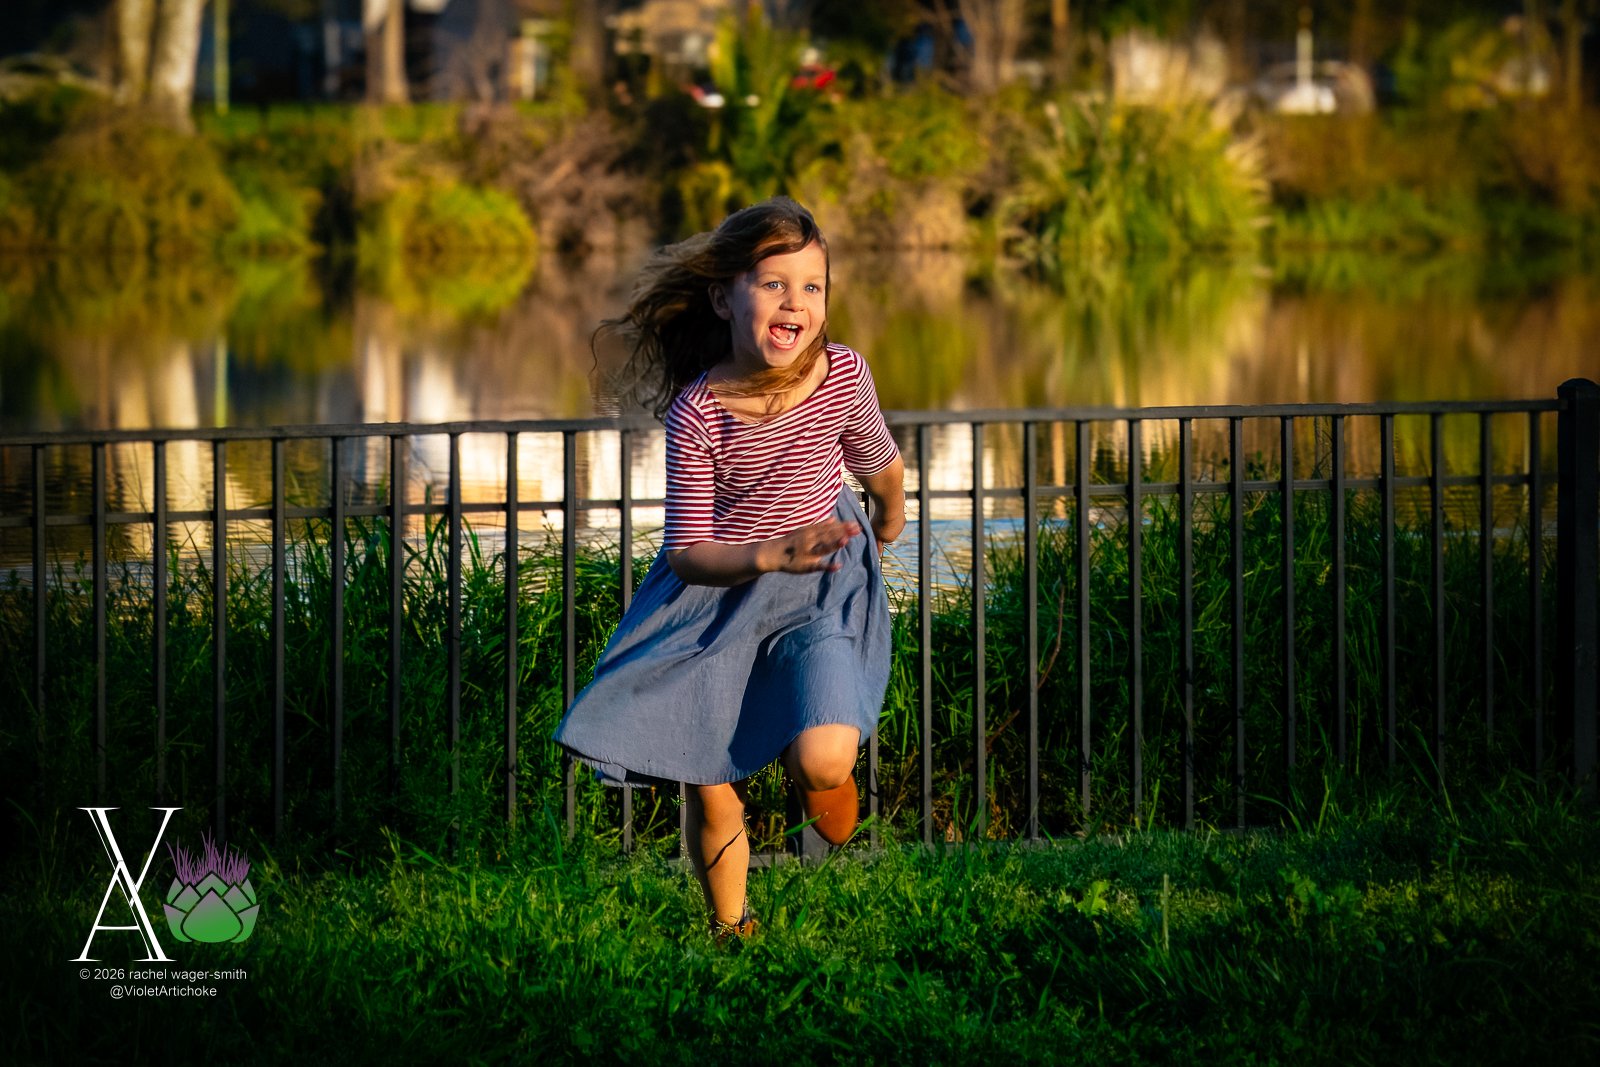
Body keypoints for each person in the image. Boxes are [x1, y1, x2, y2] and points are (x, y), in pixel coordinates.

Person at [552, 196, 906, 941]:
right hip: (713, 599)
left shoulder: (844, 375)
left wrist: (889, 517)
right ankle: (731, 928)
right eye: (774, 283)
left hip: (818, 591)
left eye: (812, 287)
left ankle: (813, 767)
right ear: (723, 296)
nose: (796, 302)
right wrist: (767, 552)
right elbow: (687, 550)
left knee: (823, 760)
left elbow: (883, 465)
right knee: (709, 780)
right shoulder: (699, 412)